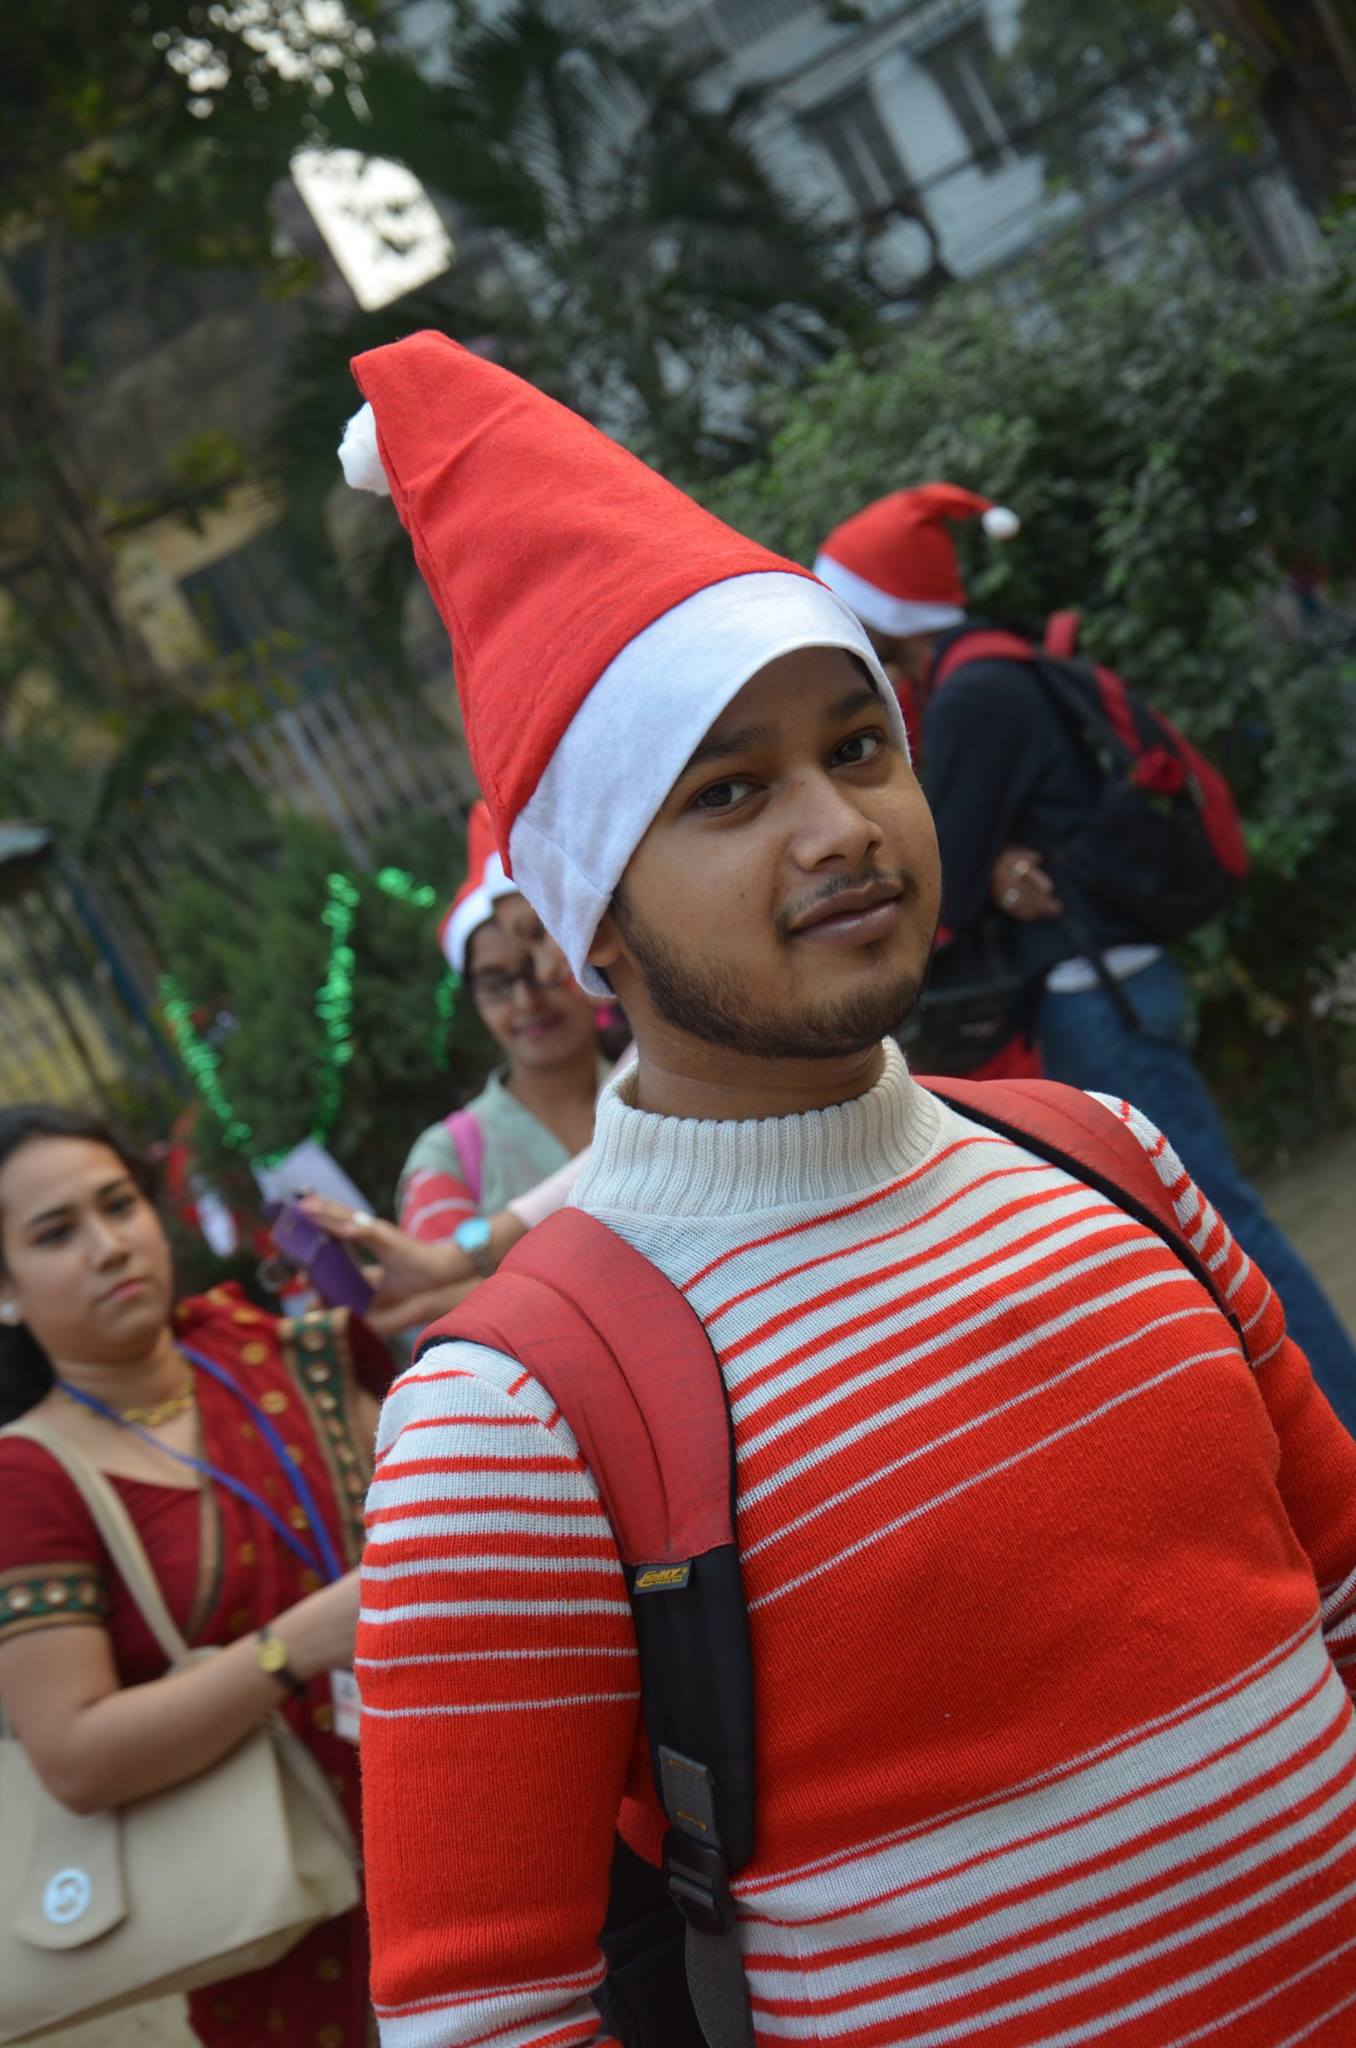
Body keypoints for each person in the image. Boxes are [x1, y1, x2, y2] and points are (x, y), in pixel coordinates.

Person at [341, 334, 1356, 2046]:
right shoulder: (509, 1420)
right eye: (730, 789)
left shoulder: (1110, 1158)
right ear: (590, 922)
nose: (839, 827)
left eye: (861, 746)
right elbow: (482, 2016)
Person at [816, 482, 1356, 1430]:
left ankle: (1342, 1424)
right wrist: (999, 867)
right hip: (1115, 982)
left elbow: (944, 871)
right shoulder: (995, 666)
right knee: (1205, 1231)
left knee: (1222, 1230)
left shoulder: (975, 694)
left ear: (883, 608)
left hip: (1094, 994)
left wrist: (982, 872)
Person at [0, 1103, 390, 2048]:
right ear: (5, 1292)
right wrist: (292, 1648)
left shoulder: (267, 1349)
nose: (108, 1247)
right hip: (279, 1914)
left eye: (118, 1205)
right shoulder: (30, 1476)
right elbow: (75, 1757)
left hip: (457, 1799)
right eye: (55, 1234)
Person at [396, 801, 608, 1248]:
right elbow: (447, 1292)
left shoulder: (670, 1088)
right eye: (496, 984)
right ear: (474, 999)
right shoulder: (447, 1161)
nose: (527, 1001)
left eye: (539, 965)